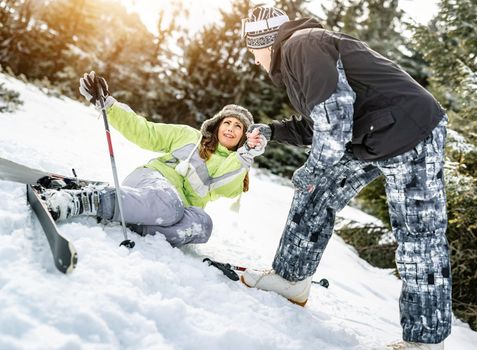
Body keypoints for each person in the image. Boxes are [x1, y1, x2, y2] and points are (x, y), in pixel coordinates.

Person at [239, 6, 450, 350]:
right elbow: (319, 122)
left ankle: (425, 343)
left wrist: (311, 170)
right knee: (316, 191)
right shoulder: (298, 57)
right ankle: (290, 279)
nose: (253, 60)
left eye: (252, 51)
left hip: (413, 131)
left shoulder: (301, 45)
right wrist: (272, 131)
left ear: (264, 43)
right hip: (372, 135)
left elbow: (334, 123)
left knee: (418, 235)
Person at [43, 71, 267, 247]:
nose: (231, 128)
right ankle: (82, 201)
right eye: (227, 122)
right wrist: (109, 105)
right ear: (217, 124)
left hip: (173, 210)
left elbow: (227, 188)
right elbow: (146, 132)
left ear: (243, 136)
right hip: (152, 181)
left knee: (202, 225)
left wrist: (245, 156)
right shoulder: (190, 137)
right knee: (170, 205)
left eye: (238, 126)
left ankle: (126, 213)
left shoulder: (236, 165)